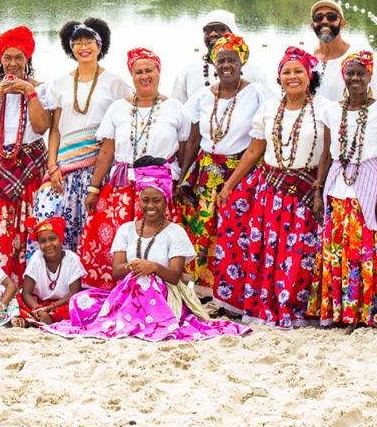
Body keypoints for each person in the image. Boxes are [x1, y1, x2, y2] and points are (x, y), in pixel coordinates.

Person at [44, 165, 250, 341]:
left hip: (165, 297)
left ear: (166, 201)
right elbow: (117, 273)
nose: (150, 206)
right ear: (139, 201)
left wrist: (154, 268)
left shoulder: (175, 232)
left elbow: (176, 276)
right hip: (127, 294)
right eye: (145, 200)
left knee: (146, 282)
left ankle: (138, 319)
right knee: (81, 300)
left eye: (157, 200)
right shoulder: (126, 229)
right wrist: (134, 266)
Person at [214, 47, 329, 328]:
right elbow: (254, 151)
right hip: (271, 191)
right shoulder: (268, 109)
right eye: (286, 72)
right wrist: (229, 186)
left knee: (300, 254)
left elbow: (330, 154)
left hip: (307, 188)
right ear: (279, 78)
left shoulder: (326, 109)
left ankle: (299, 311)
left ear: (309, 75)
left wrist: (319, 189)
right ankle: (263, 306)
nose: (292, 77)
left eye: (298, 71)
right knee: (268, 251)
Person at [80, 48, 189, 289]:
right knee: (120, 241)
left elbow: (183, 149)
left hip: (160, 188)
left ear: (159, 72)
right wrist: (94, 188)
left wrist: (182, 183)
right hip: (123, 186)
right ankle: (119, 289)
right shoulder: (118, 108)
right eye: (138, 71)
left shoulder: (175, 108)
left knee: (157, 242)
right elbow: (107, 151)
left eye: (149, 70)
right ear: (131, 75)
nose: (144, 76)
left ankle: (159, 289)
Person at [308, 52, 377, 327]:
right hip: (338, 188)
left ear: (370, 77)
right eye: (351, 73)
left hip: (370, 187)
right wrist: (318, 191)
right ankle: (342, 313)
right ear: (343, 78)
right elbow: (326, 155)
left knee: (368, 251)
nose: (356, 78)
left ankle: (367, 314)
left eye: (362, 73)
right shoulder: (332, 110)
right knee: (339, 251)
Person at [176, 34, 275, 291]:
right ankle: (207, 288)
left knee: (237, 228)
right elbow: (194, 138)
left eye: (232, 60)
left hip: (243, 169)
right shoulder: (202, 96)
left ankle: (238, 286)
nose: (226, 65)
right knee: (206, 227)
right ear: (213, 63)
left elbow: (268, 134)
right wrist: (183, 174)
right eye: (221, 60)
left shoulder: (257, 93)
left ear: (242, 63)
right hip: (208, 169)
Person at [0, 26, 54, 281]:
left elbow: (42, 127)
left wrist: (28, 92)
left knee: (28, 223)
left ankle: (28, 281)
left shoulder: (40, 89)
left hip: (30, 165)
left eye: (19, 57)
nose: (13, 63)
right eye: (7, 58)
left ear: (28, 60)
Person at [45, 18, 130, 256]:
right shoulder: (59, 83)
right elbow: (55, 129)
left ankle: (92, 282)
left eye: (89, 41)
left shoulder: (116, 82)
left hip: (99, 167)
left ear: (100, 44)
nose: (84, 47)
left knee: (96, 226)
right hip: (65, 167)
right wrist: (52, 165)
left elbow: (129, 117)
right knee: (60, 222)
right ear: (69, 47)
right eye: (78, 42)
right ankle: (64, 280)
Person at [169, 10, 267, 103]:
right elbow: (176, 111)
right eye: (208, 30)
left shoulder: (255, 72)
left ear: (233, 34)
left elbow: (269, 110)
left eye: (221, 29)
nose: (213, 34)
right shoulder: (188, 71)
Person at [309, 0, 377, 102]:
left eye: (331, 17)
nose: (324, 21)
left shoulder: (361, 58)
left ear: (342, 24)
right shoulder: (306, 58)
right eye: (318, 18)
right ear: (312, 26)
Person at [17, 216, 85, 326]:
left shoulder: (72, 259)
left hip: (62, 304)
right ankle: (41, 318)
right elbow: (26, 293)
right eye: (43, 241)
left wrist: (50, 308)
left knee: (80, 302)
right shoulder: (36, 258)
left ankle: (36, 320)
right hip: (38, 303)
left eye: (52, 239)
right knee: (16, 300)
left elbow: (74, 292)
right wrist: (38, 309)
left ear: (61, 239)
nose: (48, 244)